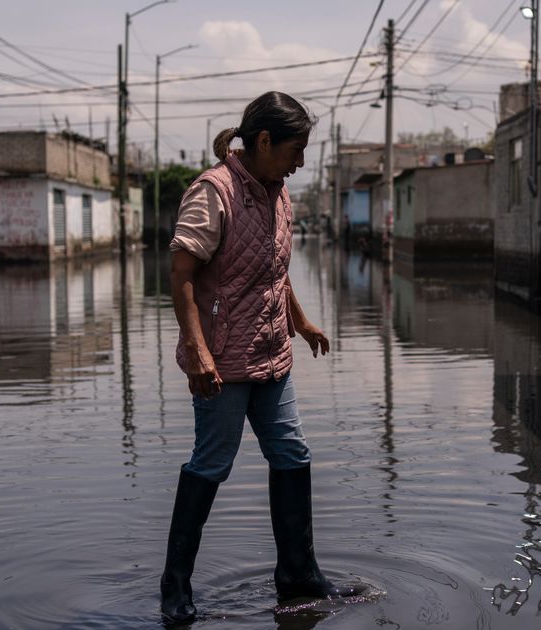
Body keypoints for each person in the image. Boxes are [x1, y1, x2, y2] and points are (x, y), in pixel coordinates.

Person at [160, 91, 364, 625]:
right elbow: (181, 275)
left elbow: (273, 269)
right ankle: (175, 586)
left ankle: (298, 575)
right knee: (212, 462)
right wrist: (199, 351)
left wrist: (301, 321)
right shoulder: (214, 192)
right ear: (264, 140)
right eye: (295, 151)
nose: (299, 164)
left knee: (293, 454)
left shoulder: (278, 192)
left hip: (273, 353)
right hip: (223, 361)